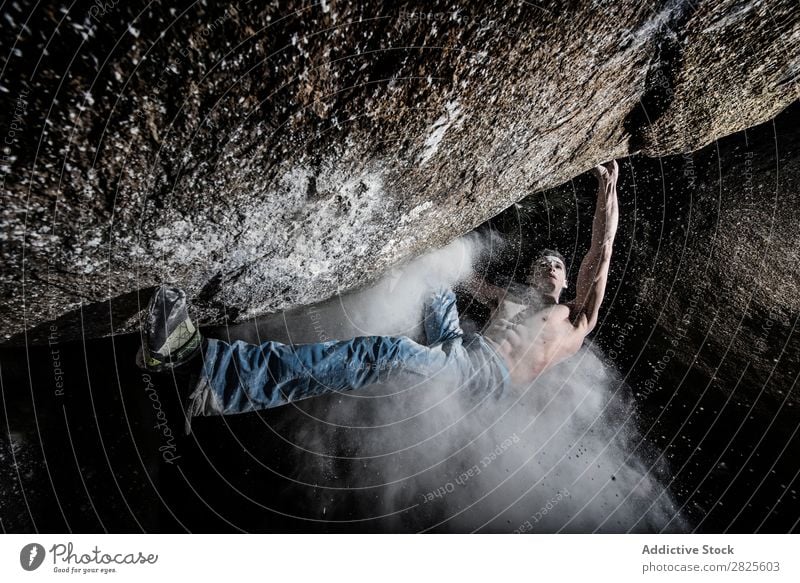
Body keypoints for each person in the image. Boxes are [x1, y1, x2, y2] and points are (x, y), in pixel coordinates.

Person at [137, 161, 619, 428]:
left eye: (556, 265)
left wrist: (608, 195)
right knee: (436, 264)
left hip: (475, 380)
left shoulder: (574, 323)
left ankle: (207, 377)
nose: (546, 268)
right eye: (541, 262)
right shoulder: (508, 297)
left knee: (386, 353)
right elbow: (463, 279)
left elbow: (600, 254)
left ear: (565, 281)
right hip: (459, 349)